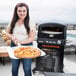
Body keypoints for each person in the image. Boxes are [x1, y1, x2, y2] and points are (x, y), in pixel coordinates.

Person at [6, 3, 36, 76]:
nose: (22, 13)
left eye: (24, 11)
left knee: (27, 69)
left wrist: (20, 42)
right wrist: (12, 37)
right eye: (19, 11)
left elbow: (32, 38)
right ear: (16, 11)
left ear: (27, 11)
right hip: (14, 46)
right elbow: (7, 33)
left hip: (27, 47)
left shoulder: (31, 22)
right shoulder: (12, 21)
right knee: (14, 68)